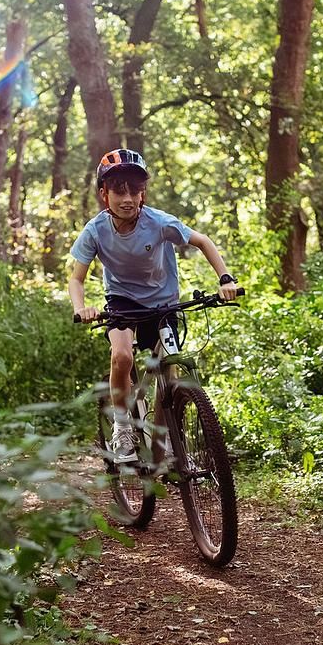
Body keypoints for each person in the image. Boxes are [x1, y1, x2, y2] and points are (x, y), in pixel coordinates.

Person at [69, 148, 239, 461]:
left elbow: (202, 241)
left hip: (163, 305)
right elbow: (76, 279)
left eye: (135, 190)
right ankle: (122, 429)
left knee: (170, 372)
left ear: (143, 193)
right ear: (104, 194)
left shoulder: (159, 222)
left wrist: (225, 278)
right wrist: (82, 308)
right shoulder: (96, 230)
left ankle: (165, 445)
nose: (128, 198)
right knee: (121, 356)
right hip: (122, 303)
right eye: (119, 191)